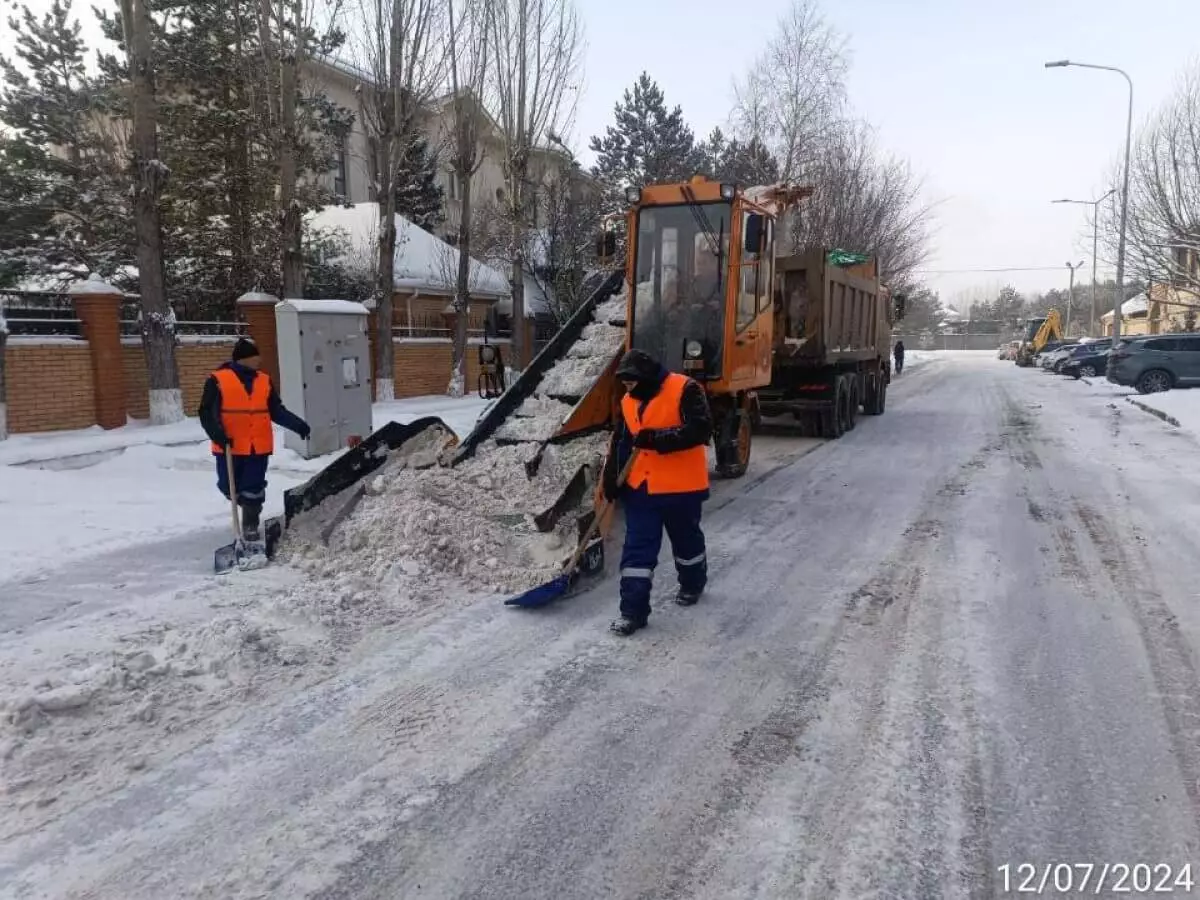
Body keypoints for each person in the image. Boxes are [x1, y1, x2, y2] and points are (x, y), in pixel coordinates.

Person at [601, 348, 713, 636]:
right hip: (642, 489)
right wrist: (612, 479)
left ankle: (692, 584)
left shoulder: (685, 388)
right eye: (624, 384)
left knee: (687, 543)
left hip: (681, 489)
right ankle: (633, 612)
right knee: (637, 552)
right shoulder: (628, 401)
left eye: (631, 383)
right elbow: (622, 442)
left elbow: (701, 429)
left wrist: (658, 439)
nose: (627, 389)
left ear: (646, 377)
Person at [198, 338, 310, 541]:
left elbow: (276, 411)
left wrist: (298, 425)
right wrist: (218, 434)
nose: (259, 360)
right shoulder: (217, 380)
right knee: (227, 486)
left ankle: (250, 524)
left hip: (258, 447)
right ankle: (248, 506)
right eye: (255, 356)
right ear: (245, 358)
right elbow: (206, 412)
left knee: (254, 487)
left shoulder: (264, 380)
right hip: (229, 447)